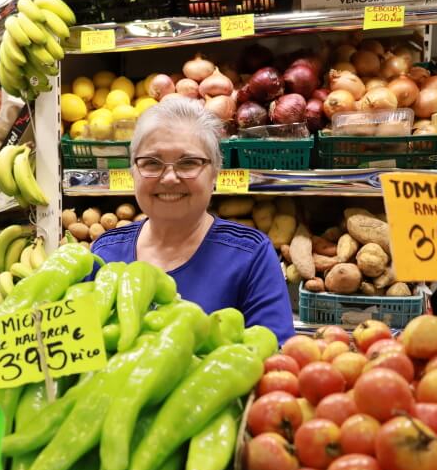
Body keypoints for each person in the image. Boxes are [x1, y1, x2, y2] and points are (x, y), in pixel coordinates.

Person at [92, 98, 295, 343]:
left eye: (188, 163)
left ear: (215, 173)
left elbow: (274, 362)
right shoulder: (104, 252)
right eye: (151, 163)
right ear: (133, 172)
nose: (169, 178)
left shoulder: (251, 255)